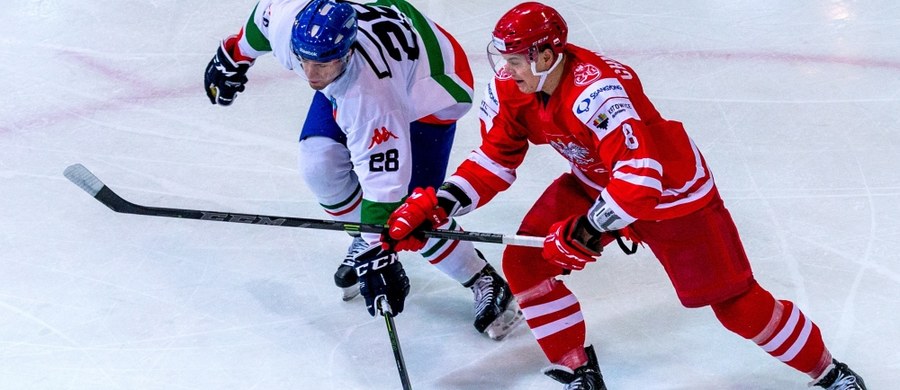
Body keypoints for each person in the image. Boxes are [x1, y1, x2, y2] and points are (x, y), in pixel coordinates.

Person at [383, 2, 867, 389]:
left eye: (514, 60)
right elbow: (496, 158)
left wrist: (590, 229)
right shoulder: (514, 88)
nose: (506, 71)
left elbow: (643, 179)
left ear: (545, 56)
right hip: (597, 181)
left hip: (673, 196)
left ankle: (829, 372)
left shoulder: (598, 90)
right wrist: (441, 204)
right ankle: (577, 370)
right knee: (526, 263)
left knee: (736, 303)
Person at [203, 0, 523, 339]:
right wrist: (235, 52)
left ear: (347, 51)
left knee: (410, 214)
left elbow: (386, 188)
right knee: (319, 163)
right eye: (304, 61)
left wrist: (377, 250)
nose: (311, 75)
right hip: (379, 56)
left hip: (435, 87)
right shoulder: (299, 33)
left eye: (321, 65)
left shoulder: (372, 97)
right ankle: (362, 234)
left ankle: (481, 276)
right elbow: (263, 19)